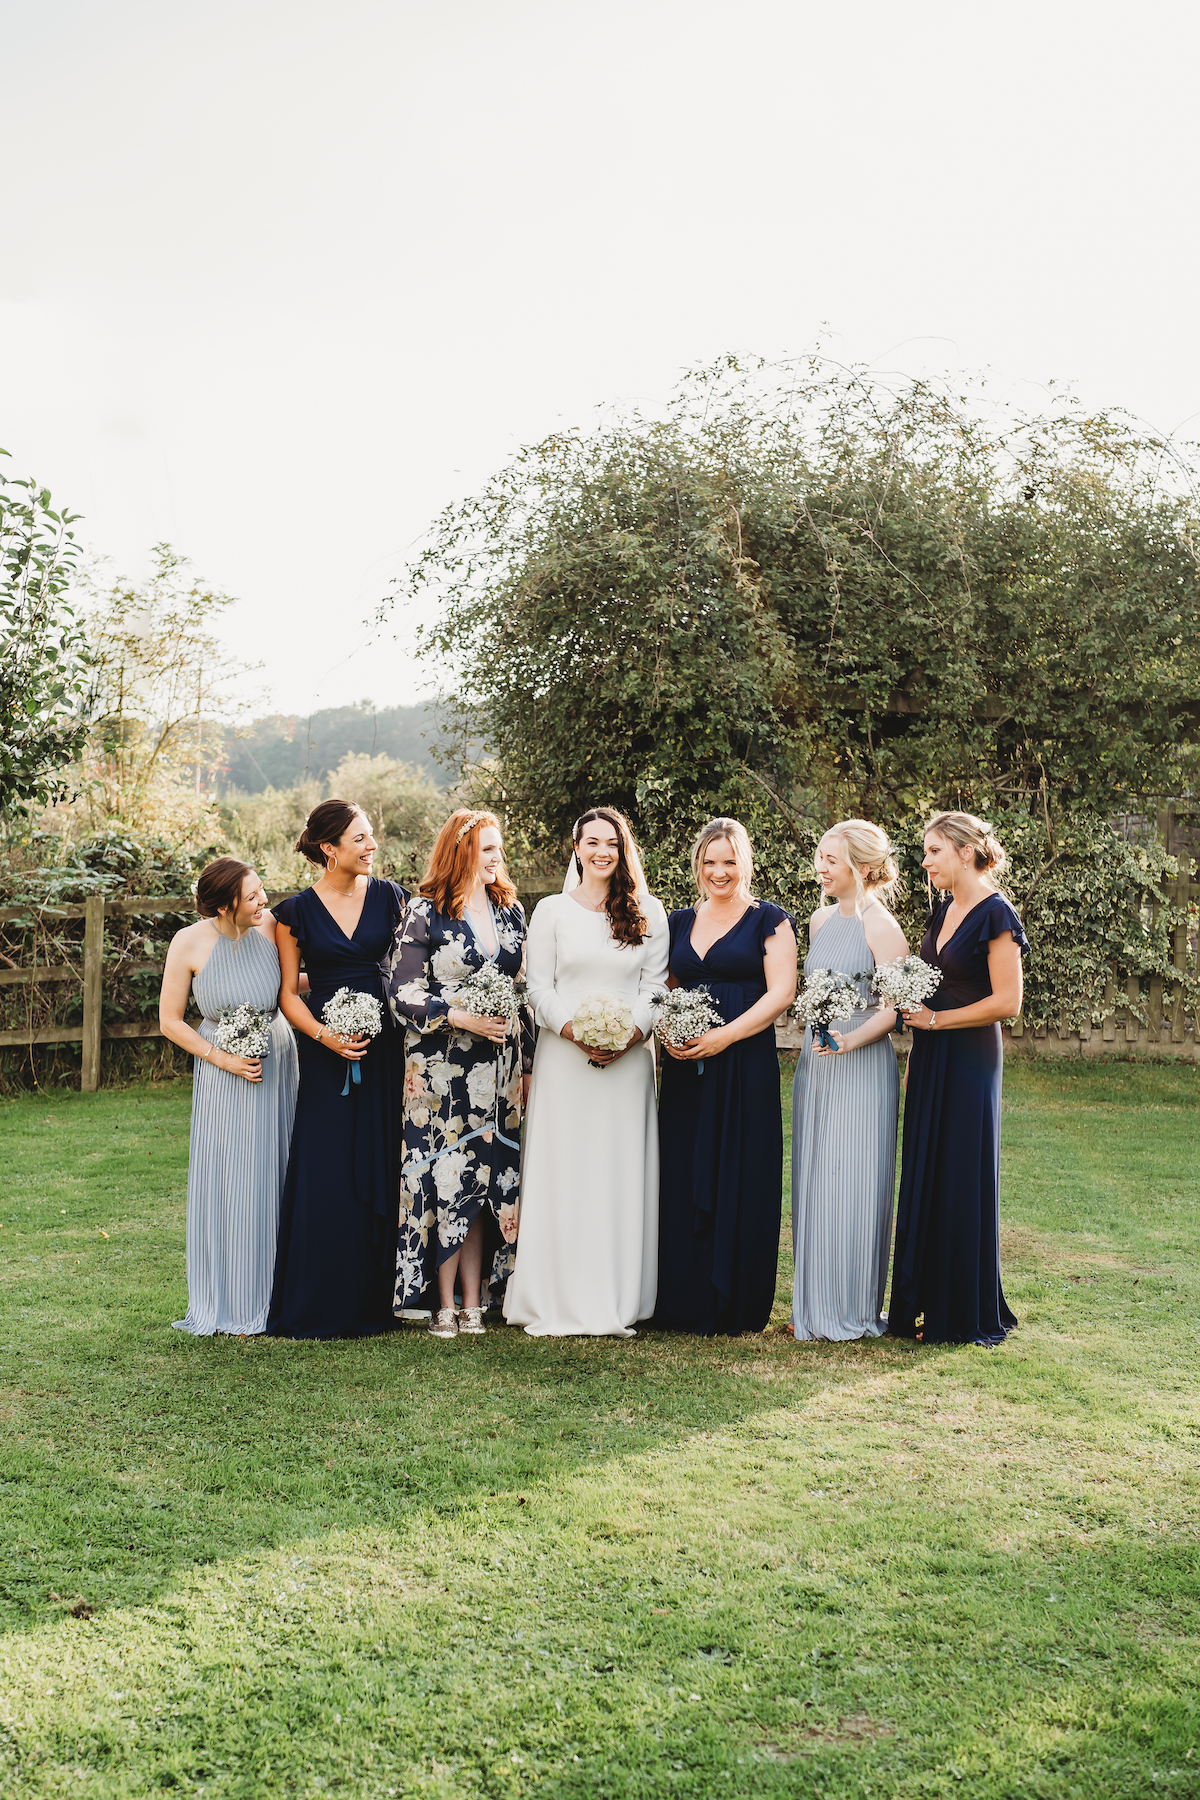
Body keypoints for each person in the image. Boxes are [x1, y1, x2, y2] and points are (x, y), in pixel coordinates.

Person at [503, 807, 668, 1337]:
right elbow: (537, 986)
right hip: (563, 1058)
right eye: (592, 842)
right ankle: (555, 1293)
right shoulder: (551, 910)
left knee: (618, 1171)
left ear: (624, 851)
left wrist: (630, 1035)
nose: (602, 852)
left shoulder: (649, 910)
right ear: (576, 848)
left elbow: (656, 988)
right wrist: (574, 1031)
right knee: (564, 1169)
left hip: (628, 1064)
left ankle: (620, 1295)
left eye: (612, 844)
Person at [265, 799, 408, 1339]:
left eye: (372, 836)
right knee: (325, 1165)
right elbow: (288, 995)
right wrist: (327, 1037)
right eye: (360, 839)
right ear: (329, 848)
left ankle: (380, 1299)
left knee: (381, 1156)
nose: (372, 846)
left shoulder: (393, 898)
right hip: (325, 1057)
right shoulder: (292, 913)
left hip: (385, 1046)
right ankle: (320, 1300)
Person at [388, 809, 531, 1339]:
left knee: (486, 1181)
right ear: (461, 852)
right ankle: (441, 1301)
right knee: (446, 1179)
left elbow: (525, 989)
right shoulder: (423, 911)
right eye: (487, 850)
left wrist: (529, 1059)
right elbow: (401, 992)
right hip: (440, 1074)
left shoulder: (511, 911)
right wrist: (458, 1014)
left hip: (501, 1070)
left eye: (499, 849)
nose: (497, 859)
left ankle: (477, 1299)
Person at [651, 819, 797, 1336]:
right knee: (684, 1167)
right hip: (687, 1066)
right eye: (710, 862)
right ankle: (684, 1298)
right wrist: (669, 1030)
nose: (720, 872)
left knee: (743, 1167)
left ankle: (737, 1301)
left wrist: (725, 1037)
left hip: (745, 1061)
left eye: (729, 861)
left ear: (745, 863)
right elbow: (663, 986)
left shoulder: (770, 920)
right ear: (697, 865)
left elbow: (781, 993)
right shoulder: (676, 921)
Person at [888, 811, 1028, 1346]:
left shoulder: (997, 913)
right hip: (930, 1052)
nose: (925, 862)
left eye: (933, 851)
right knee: (926, 1167)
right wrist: (919, 1035)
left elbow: (1007, 1002)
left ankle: (958, 1310)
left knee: (960, 1171)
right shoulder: (943, 909)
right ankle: (919, 1302)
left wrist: (938, 1020)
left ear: (966, 851)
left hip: (969, 1057)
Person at [159, 858, 299, 1336]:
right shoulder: (189, 942)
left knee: (275, 1169)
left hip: (277, 1063)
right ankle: (231, 1298)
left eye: (263, 890)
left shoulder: (272, 927)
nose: (264, 901)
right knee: (230, 1177)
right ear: (224, 905)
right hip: (223, 1072)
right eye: (253, 896)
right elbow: (171, 1021)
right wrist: (223, 1058)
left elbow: (291, 985)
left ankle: (275, 1295)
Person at [790, 821, 907, 1340]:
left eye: (830, 860)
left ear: (860, 868)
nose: (821, 867)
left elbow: (893, 1010)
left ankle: (853, 1306)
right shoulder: (818, 921)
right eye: (820, 857)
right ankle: (813, 1305)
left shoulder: (882, 927)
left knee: (854, 1180)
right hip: (816, 1066)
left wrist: (847, 1042)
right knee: (816, 1178)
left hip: (860, 1067)